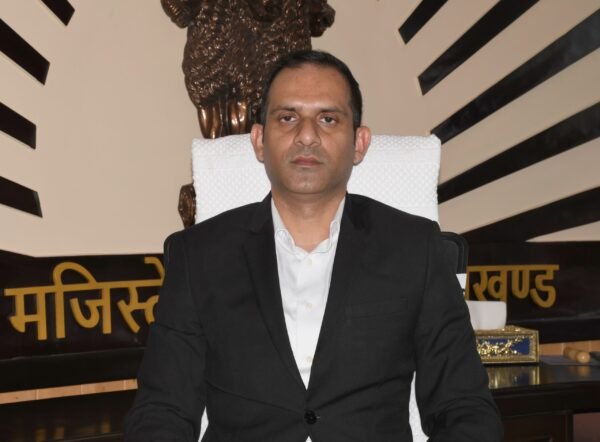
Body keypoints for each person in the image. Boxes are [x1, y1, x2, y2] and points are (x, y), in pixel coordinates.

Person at [125, 50, 503, 441]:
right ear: (259, 140)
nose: (307, 135)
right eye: (287, 118)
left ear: (359, 143)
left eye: (328, 119)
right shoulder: (199, 256)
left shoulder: (415, 249)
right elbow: (162, 411)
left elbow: (465, 408)